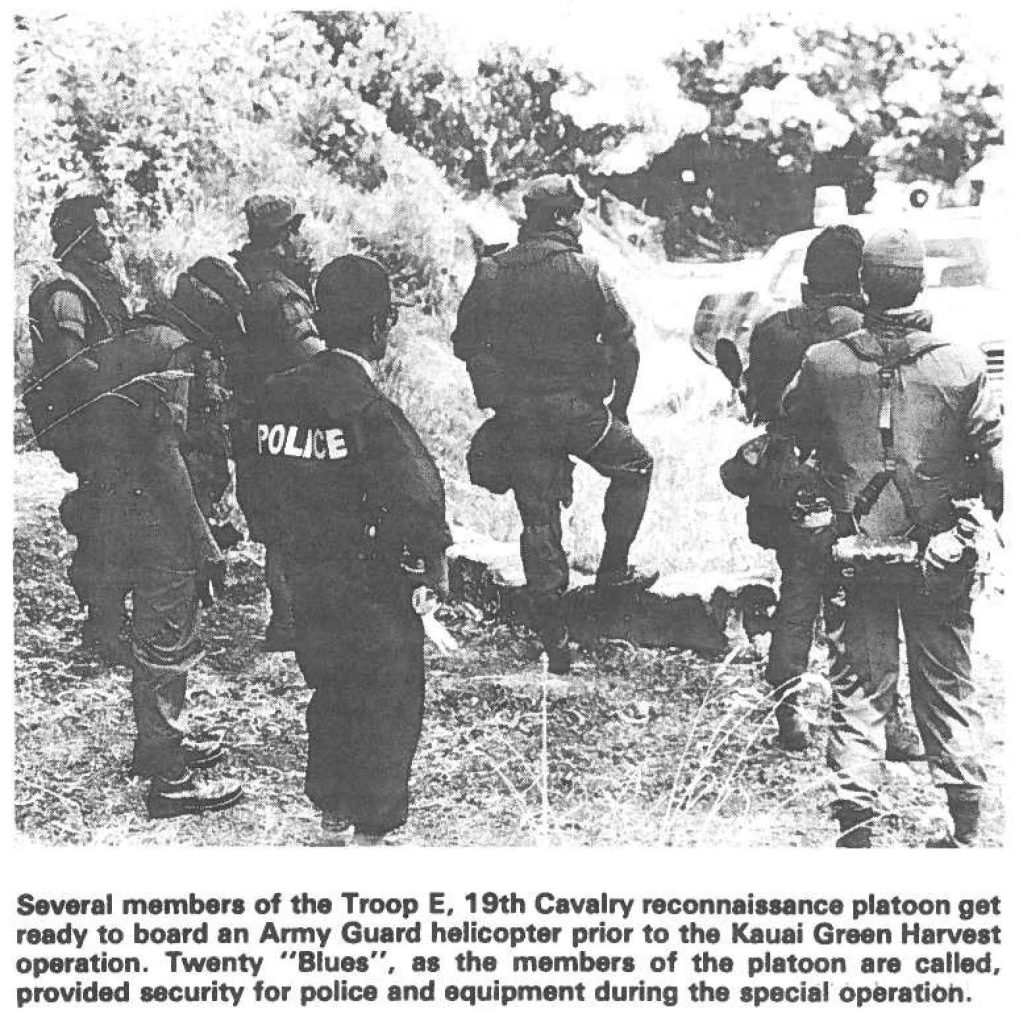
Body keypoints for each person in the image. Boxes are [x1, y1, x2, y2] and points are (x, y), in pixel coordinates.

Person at [781, 228, 1002, 848]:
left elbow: (795, 434)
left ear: (863, 286)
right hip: (938, 552)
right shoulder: (959, 363)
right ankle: (963, 828)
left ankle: (856, 827)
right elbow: (992, 464)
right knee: (947, 684)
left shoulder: (824, 362)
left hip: (856, 550)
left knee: (858, 685)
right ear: (920, 284)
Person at [245, 254, 449, 844]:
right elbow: (418, 496)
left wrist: (284, 545)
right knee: (387, 694)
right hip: (367, 581)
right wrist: (427, 568)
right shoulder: (367, 408)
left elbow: (253, 487)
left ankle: (331, 803)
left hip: (301, 576)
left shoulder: (275, 395)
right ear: (380, 326)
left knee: (329, 683)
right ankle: (370, 831)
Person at [452, 173, 656, 675]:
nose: (580, 224)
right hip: (577, 413)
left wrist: (498, 395)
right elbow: (626, 346)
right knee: (635, 465)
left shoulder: (493, 271)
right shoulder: (586, 272)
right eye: (574, 215)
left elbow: (466, 343)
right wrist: (621, 407)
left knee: (538, 518)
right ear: (561, 218)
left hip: (520, 417)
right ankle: (613, 574)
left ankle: (554, 636)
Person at [735, 225, 920, 758]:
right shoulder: (868, 335)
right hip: (854, 491)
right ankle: (887, 720)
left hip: (788, 486)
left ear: (807, 280)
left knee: (798, 591)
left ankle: (789, 708)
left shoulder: (773, 332)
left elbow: (757, 407)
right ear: (861, 281)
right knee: (869, 606)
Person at [80, 258, 249, 818]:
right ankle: (169, 778)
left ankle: (156, 747)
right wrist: (202, 540)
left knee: (157, 638)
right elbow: (164, 451)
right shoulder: (177, 352)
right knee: (166, 640)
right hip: (160, 517)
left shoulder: (134, 334)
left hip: (117, 506)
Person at [26, 194, 133, 661]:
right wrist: (127, 384)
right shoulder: (68, 295)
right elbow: (71, 364)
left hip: (108, 420)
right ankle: (104, 627)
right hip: (94, 427)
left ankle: (109, 622)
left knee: (112, 516)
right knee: (104, 522)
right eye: (104, 229)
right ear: (82, 240)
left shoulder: (97, 286)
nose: (112, 236)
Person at [230, 194, 324, 651]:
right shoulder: (280, 295)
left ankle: (285, 619)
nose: (300, 240)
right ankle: (290, 622)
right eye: (294, 231)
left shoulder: (240, 281)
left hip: (250, 421)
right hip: (287, 422)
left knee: (276, 529)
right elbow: (315, 360)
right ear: (282, 237)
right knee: (296, 525)